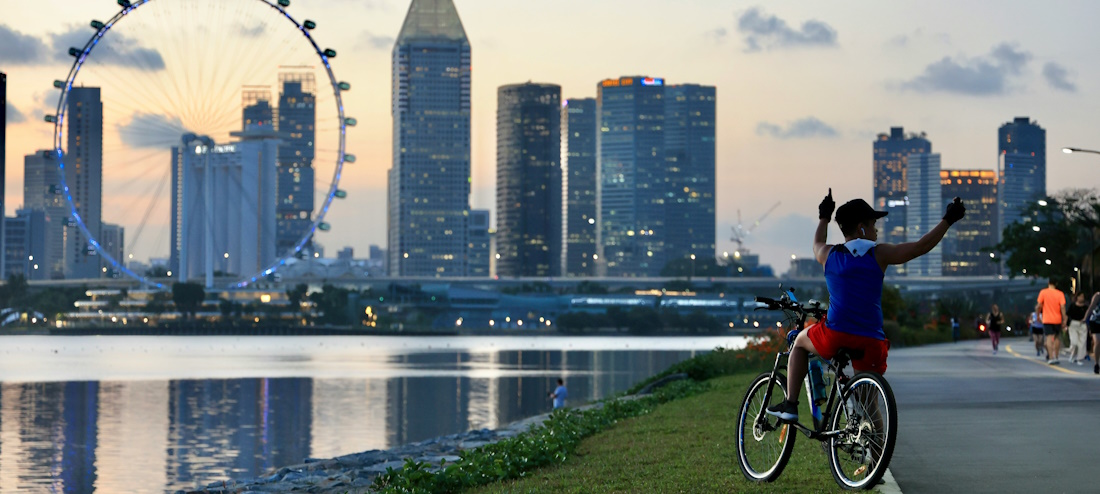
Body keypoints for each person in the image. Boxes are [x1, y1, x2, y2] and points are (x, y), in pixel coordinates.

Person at [766, 190, 965, 422]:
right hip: (870, 340)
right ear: (861, 227)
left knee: (799, 342)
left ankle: (791, 405)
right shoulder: (879, 254)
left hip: (836, 334)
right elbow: (921, 247)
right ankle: (877, 457)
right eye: (873, 224)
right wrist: (948, 220)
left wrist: (824, 217)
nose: (876, 230)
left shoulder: (829, 254)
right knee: (870, 407)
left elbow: (816, 243)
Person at [1036, 278, 1068, 365]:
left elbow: (1038, 306)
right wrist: (1064, 318)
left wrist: (1038, 315)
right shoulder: (1060, 294)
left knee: (1049, 338)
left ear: (1048, 283)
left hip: (1047, 319)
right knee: (1057, 338)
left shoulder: (1043, 292)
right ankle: (1056, 357)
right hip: (1057, 319)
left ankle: (1051, 357)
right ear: (1056, 283)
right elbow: (1062, 307)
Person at [1066, 292, 1089, 365]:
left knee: (1082, 342)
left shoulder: (1086, 307)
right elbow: (1068, 315)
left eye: (1083, 297)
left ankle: (1079, 358)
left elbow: (1088, 315)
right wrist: (1066, 324)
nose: (1081, 298)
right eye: (1080, 296)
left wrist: (1085, 320)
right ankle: (1072, 355)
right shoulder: (1072, 305)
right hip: (1073, 324)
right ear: (1077, 297)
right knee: (1074, 341)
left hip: (1082, 324)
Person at [1086, 292, 1100, 374]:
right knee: (1097, 341)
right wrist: (1085, 317)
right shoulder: (1097, 296)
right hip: (1095, 321)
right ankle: (1096, 363)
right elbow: (1091, 307)